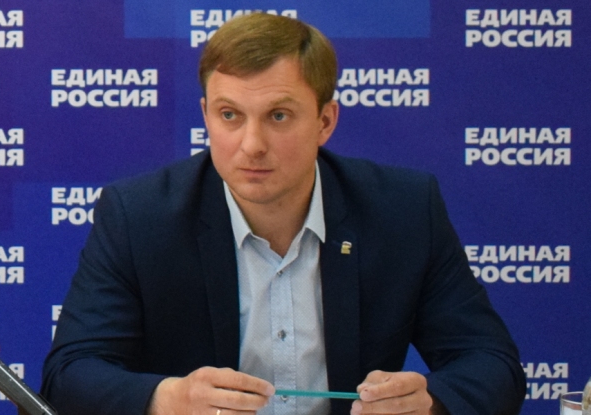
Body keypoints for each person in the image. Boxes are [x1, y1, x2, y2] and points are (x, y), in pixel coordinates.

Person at [41, 13, 526, 415]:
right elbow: (69, 375)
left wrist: (431, 403)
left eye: (278, 116)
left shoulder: (402, 210)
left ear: (325, 121)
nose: (251, 145)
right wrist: (168, 399)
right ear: (206, 115)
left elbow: (492, 364)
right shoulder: (139, 216)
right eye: (230, 115)